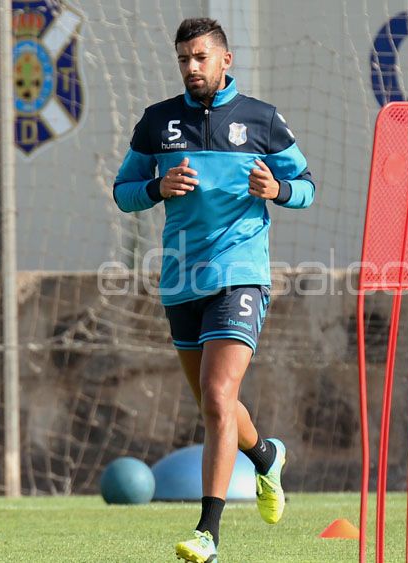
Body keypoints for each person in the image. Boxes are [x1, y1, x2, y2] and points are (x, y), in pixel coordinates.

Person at [112, 17, 315, 563]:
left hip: (241, 273)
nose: (192, 67)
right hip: (181, 280)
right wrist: (157, 186)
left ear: (226, 60)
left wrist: (279, 188)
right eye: (184, 59)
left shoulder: (262, 120)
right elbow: (123, 193)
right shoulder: (158, 123)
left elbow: (307, 189)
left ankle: (209, 532)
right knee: (213, 405)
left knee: (220, 397)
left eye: (201, 57)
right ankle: (266, 456)